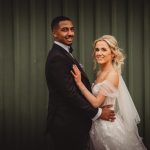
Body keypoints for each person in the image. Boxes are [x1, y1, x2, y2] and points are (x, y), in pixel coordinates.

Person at [45, 16, 115, 150]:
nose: (70, 33)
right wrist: (98, 113)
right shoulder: (57, 58)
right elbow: (70, 94)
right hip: (66, 125)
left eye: (72, 29)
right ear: (54, 33)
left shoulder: (64, 53)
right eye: (65, 30)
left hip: (75, 123)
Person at [71, 35, 147, 150]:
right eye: (97, 49)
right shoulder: (100, 73)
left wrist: (79, 83)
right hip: (97, 124)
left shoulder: (112, 75)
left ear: (113, 54)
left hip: (109, 129)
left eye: (103, 49)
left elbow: (96, 103)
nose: (99, 53)